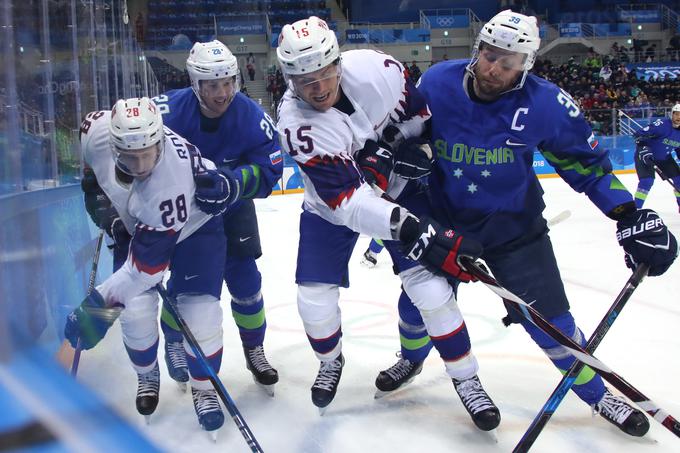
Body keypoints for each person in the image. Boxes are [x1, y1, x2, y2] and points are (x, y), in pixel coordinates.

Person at [389, 9, 678, 438]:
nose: (495, 69)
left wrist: (628, 213)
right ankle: (411, 358)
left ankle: (599, 396)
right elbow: (404, 136)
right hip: (445, 221)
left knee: (553, 324)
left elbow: (587, 166)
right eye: (490, 55)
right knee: (418, 303)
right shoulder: (436, 83)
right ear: (478, 48)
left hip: (515, 229)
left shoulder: (546, 104)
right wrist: (402, 153)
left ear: (526, 65)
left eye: (509, 63)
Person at [275, 16, 500, 431]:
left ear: (338, 63)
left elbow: (419, 117)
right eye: (306, 79)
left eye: (325, 72)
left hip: (397, 191)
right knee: (314, 304)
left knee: (432, 292)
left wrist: (404, 147)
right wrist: (414, 226)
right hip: (331, 209)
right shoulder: (297, 124)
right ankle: (330, 361)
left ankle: (468, 380)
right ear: (289, 78)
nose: (320, 87)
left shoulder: (377, 70)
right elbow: (349, 204)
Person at [66, 97, 231, 435]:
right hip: (141, 225)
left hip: (195, 226)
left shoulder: (169, 183)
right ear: (112, 145)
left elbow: (145, 271)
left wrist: (95, 314)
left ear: (160, 141)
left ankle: (204, 388)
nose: (141, 164)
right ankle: (147, 373)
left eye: (148, 153)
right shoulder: (94, 131)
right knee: (137, 313)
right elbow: (92, 180)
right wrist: (105, 211)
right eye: (130, 155)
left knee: (201, 314)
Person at [152, 40, 283, 395]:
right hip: (186, 216)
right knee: (183, 284)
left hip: (233, 208)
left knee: (246, 283)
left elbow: (271, 169)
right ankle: (175, 342)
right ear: (196, 84)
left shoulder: (251, 115)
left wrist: (235, 183)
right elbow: (129, 141)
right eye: (212, 85)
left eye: (228, 82)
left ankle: (254, 348)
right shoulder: (165, 111)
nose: (222, 93)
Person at [632, 103, 680, 212]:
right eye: (676, 114)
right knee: (647, 181)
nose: (679, 117)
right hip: (646, 155)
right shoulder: (662, 125)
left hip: (664, 158)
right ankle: (636, 210)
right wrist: (644, 148)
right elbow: (638, 134)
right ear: (671, 114)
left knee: (679, 181)